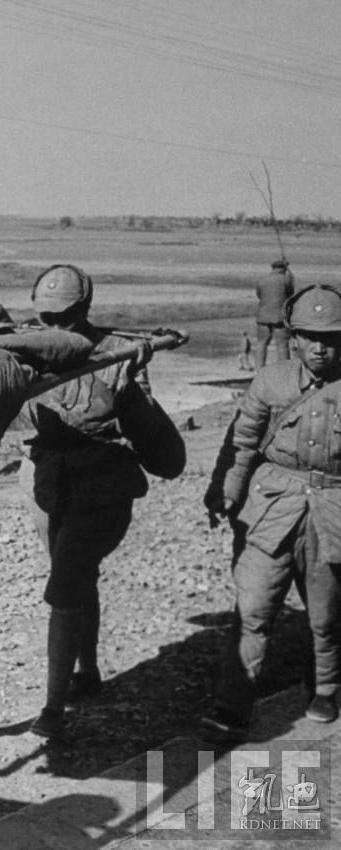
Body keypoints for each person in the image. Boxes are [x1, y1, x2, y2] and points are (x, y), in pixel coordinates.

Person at [20, 264, 180, 739]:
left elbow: (150, 436)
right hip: (51, 483)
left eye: (64, 317)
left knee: (64, 585)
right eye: (46, 318)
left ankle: (53, 708)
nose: (54, 327)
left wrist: (129, 383)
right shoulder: (27, 348)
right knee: (76, 578)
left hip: (102, 488)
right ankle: (87, 672)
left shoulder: (117, 355)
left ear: (85, 309)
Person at [201, 285, 341, 742]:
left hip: (333, 513)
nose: (320, 348)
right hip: (271, 511)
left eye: (331, 338)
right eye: (310, 337)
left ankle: (326, 688)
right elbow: (241, 444)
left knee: (326, 614)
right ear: (293, 338)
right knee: (253, 608)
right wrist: (225, 493)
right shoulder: (270, 382)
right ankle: (232, 704)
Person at [254, 258, 295, 368]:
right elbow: (291, 295)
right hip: (280, 318)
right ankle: (284, 370)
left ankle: (259, 370)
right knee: (282, 345)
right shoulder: (286, 279)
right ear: (283, 268)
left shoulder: (262, 280)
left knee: (261, 343)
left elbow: (259, 295)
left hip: (263, 317)